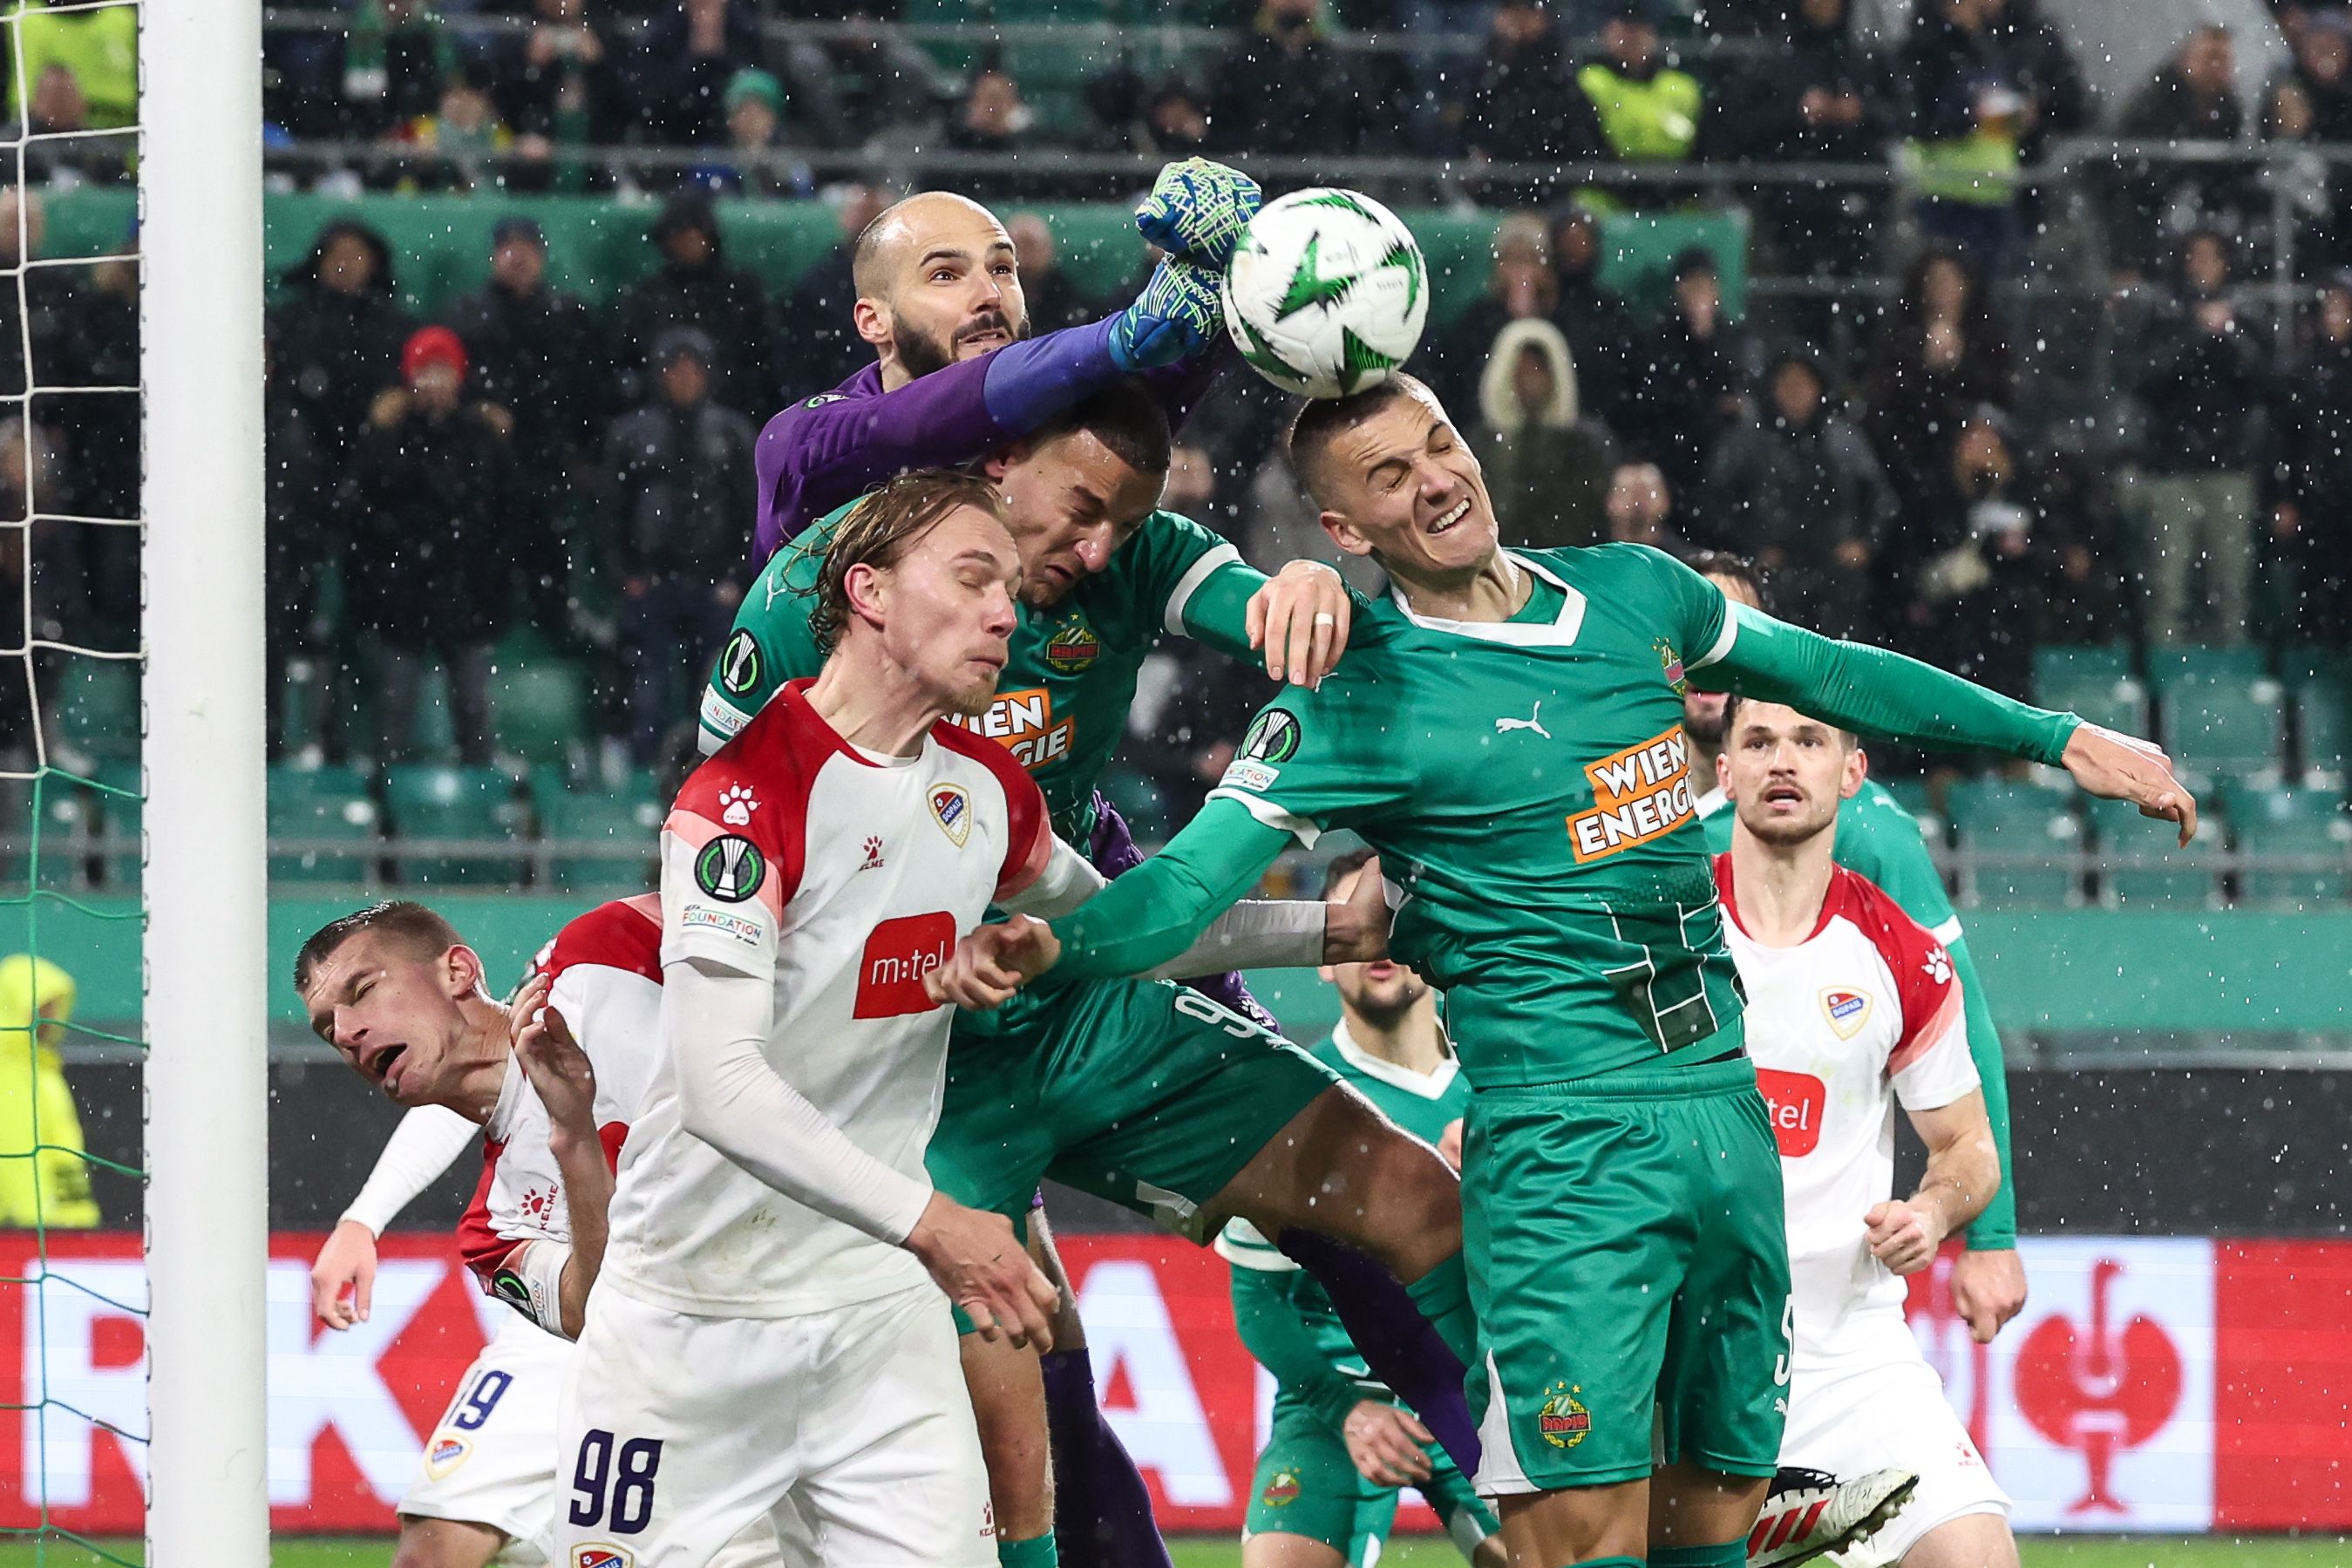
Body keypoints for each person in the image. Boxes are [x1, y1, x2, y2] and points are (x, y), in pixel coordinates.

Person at [932, 372, 2192, 1568]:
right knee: (1573, 1539)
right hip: (1562, 1146)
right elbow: (1189, 887)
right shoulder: (1350, 692)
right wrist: (1059, 941)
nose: (1432, 480)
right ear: (1338, 525)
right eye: (1385, 475)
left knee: (1712, 1523)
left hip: (1723, 1116)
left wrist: (2058, 735)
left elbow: (1825, 669)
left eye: (1436, 445)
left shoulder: (1636, 595)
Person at [703, 390, 1479, 1568]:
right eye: (1076, 515)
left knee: (1413, 1199)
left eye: (1125, 522)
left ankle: (1516, 1503)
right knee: (1009, 1378)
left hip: (1085, 1018)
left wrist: (1307, 593)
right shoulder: (802, 639)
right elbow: (728, 879)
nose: (1096, 551)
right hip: (904, 1083)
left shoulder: (998, 786)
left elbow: (1127, 917)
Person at [296, 898, 788, 1568]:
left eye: (362, 991)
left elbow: (771, 909)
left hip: (783, 1298)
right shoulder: (492, 1230)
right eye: (328, 1028)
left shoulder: (595, 960)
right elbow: (595, 1310)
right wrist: (572, 1139)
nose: (347, 1031)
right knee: (434, 1550)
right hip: (612, 1337)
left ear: (459, 969)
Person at [1686, 554, 2029, 1353]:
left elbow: (1958, 1021)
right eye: (1688, 639)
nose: (1709, 664)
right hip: (1684, 1276)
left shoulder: (1864, 829)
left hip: (1832, 1296)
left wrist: (1992, 1235)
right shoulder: (1634, 811)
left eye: (1730, 638)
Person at [1710, 697, 2021, 1568]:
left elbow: (1967, 1148)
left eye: (1809, 741)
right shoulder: (1664, 929)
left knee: (1978, 1558)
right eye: (1759, 742)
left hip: (1847, 1348)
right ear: (1723, 768)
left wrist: (1931, 1212)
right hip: (1680, 1346)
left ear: (1851, 772)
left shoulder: (1902, 953)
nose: (1782, 761)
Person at [1220, 851, 1506, 1568]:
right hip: (1340, 1402)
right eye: (1357, 924)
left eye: (1393, 923)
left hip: (1485, 1392)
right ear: (1322, 960)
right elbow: (1257, 1299)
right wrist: (1345, 1409)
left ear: (1428, 942)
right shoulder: (1293, 1099)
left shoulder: (1503, 1089)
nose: (1378, 945)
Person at [751, 170, 1251, 565]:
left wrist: (1245, 269)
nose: (989, 296)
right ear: (874, 320)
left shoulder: (1053, 426)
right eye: (945, 275)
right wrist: (1120, 337)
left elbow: (1149, 398)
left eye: (1001, 269)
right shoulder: (799, 441)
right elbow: (911, 428)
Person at [338, 326, 516, 767]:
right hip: (403, 595)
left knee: (474, 710)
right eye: (424, 372)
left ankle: (479, 803)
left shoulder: (481, 437)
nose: (433, 384)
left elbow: (506, 513)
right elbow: (359, 510)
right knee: (394, 711)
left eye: (442, 372)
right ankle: (385, 801)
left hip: (465, 591)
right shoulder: (388, 437)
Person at [441, 215, 605, 633]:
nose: (519, 258)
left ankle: (554, 616)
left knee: (549, 545)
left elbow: (589, 389)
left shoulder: (567, 315)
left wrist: (582, 449)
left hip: (549, 459)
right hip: (484, 463)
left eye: (528, 249)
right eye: (510, 249)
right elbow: (448, 382)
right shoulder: (467, 314)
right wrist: (478, 409)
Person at [603, 326, 758, 763]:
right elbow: (611, 514)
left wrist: (736, 578)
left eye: (694, 369)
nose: (685, 378)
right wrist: (626, 575)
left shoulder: (731, 433)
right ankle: (639, 781)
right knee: (645, 687)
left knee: (713, 693)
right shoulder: (630, 434)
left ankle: (705, 778)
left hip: (715, 586)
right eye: (676, 369)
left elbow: (751, 513)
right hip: (649, 584)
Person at [2128, 228, 2272, 644]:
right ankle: (2166, 689)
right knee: (2166, 587)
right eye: (2195, 256)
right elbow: (2144, 379)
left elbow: (2264, 380)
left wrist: (2227, 333)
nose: (2202, 265)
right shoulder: (2163, 312)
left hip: (2229, 467)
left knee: (2230, 587)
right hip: (2172, 468)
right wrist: (2195, 334)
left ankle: (2234, 693)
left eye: (2212, 256)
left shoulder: (2245, 312)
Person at [1702, 352, 1894, 640]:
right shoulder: (1748, 441)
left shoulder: (1844, 439)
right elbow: (1715, 501)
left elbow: (1882, 499)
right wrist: (1749, 551)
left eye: (1803, 384)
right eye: (1786, 383)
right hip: (1772, 578)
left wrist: (1865, 544)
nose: (1795, 393)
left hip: (1837, 577)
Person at [608, 192, 778, 417]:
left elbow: (765, 363)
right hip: (657, 423)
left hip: (735, 420)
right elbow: (625, 364)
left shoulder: (743, 292)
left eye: (695, 234)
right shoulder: (646, 298)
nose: (687, 242)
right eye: (678, 234)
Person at [1469, 316, 1614, 552]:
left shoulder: (1586, 443)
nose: (1531, 381)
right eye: (1523, 371)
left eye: (1538, 370)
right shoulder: (1481, 444)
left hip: (1571, 563)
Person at [0, 954, 99, 1229]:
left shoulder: (46, 1073)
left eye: (54, 1006)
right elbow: (15, 1161)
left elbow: (63, 1154)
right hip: (29, 1237)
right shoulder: (7, 1077)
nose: (51, 1017)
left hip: (65, 1233)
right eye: (42, 1007)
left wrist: (80, 1220)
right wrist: (34, 1227)